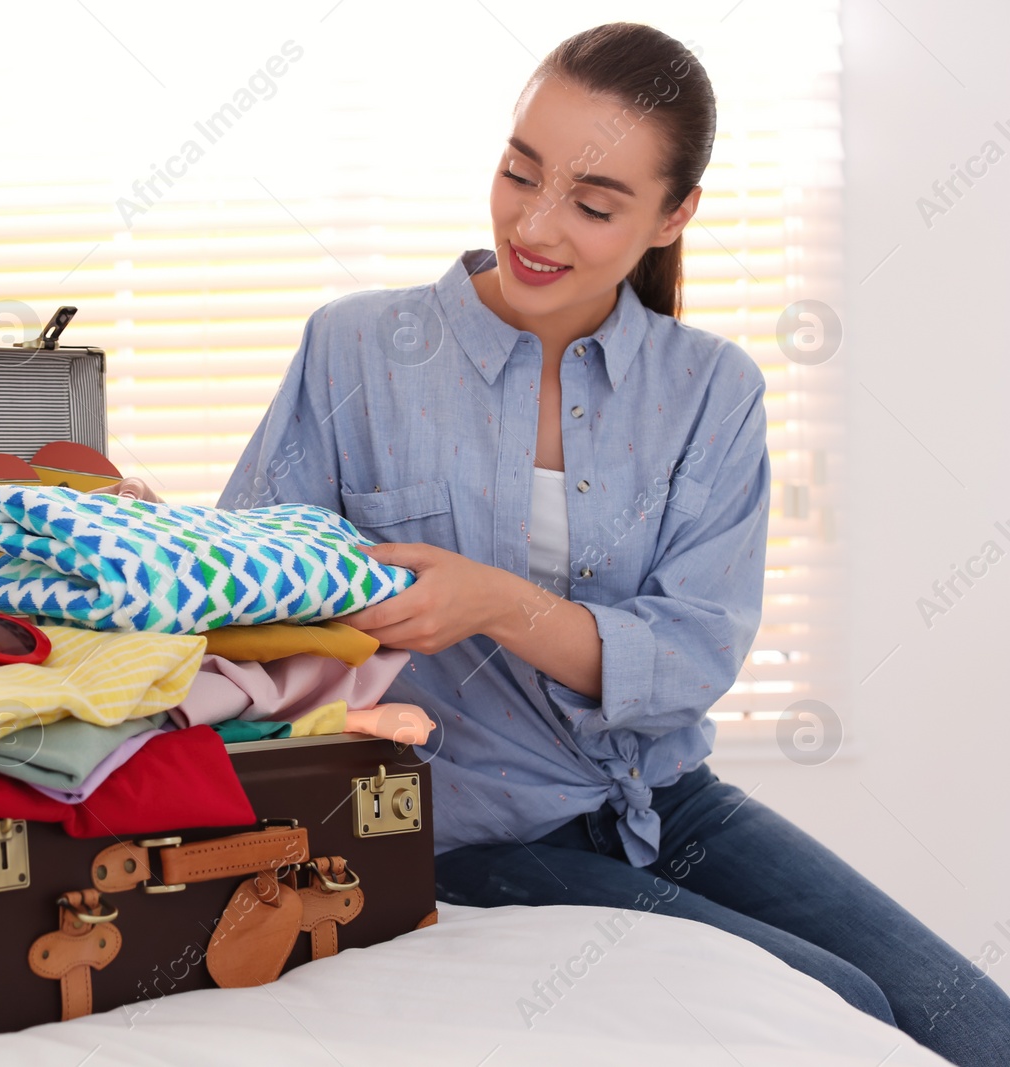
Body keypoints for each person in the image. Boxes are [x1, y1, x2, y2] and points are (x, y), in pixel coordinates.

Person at [205, 21, 1010, 1066]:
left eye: (592, 204)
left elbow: (688, 656)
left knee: (974, 1024)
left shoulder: (710, 391)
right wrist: (178, 551)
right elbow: (244, 593)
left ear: (674, 216)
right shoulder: (356, 346)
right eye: (517, 174)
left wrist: (495, 601)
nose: (535, 225)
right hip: (460, 825)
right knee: (838, 1007)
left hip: (663, 797)